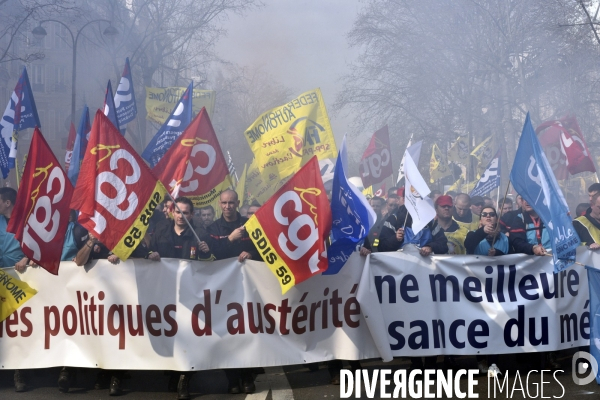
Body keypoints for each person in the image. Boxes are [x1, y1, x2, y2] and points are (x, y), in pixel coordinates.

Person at [205, 189, 258, 393]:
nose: (228, 207)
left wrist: (251, 253)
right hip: (223, 290)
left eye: (231, 203)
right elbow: (212, 256)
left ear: (237, 203)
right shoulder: (212, 228)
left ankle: (247, 377)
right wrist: (230, 239)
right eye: (224, 203)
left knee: (247, 332)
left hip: (249, 287)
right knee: (227, 334)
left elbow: (264, 249)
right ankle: (232, 379)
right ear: (220, 204)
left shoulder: (250, 224)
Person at [0, 188, 29, 392]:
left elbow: (38, 245)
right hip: (2, 281)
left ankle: (20, 373)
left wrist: (27, 259)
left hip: (23, 281)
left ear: (7, 203)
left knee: (19, 329)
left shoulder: (25, 222)